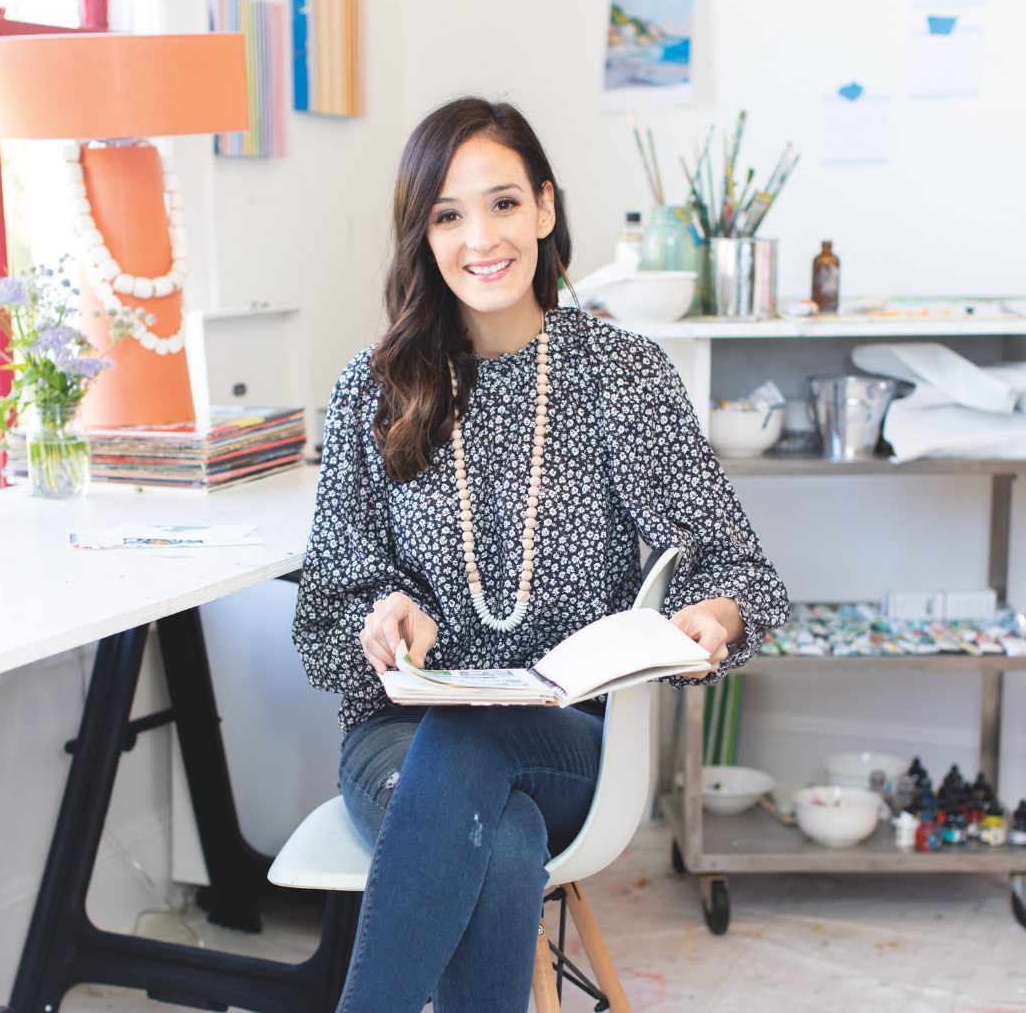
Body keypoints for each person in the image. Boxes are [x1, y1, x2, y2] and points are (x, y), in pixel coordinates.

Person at [293, 97, 789, 1012]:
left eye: (504, 203)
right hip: (398, 743)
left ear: (547, 210)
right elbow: (328, 603)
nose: (480, 236)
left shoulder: (622, 377)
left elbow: (739, 568)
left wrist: (712, 617)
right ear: (423, 235)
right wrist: (381, 619)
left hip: (568, 742)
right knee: (500, 828)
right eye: (448, 214)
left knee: (487, 767)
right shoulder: (375, 387)